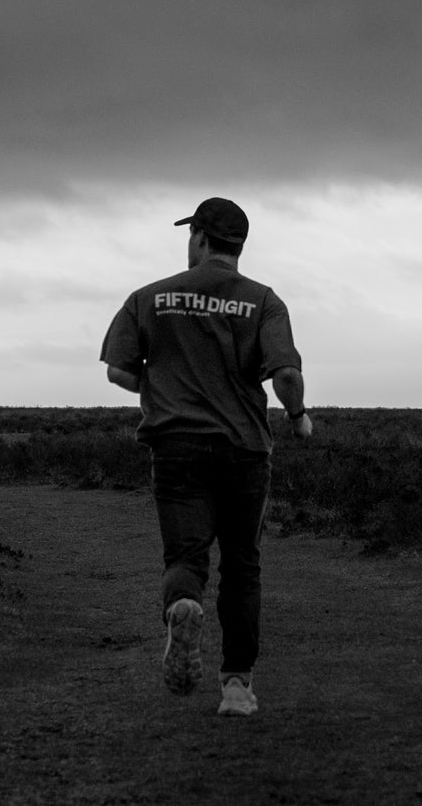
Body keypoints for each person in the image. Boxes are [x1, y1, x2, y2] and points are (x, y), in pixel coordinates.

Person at [99, 196, 310, 716]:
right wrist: (298, 414)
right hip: (244, 452)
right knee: (242, 566)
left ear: (198, 237)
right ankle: (237, 688)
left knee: (185, 559)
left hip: (177, 449)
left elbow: (118, 371)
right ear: (238, 245)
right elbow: (284, 374)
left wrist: (165, 383)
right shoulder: (264, 301)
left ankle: (181, 605)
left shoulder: (148, 298)